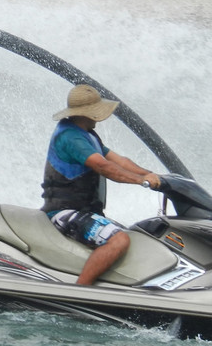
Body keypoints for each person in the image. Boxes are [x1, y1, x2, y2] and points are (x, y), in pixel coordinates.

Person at [42, 84, 163, 285]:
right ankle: (81, 292)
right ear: (88, 113)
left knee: (138, 236)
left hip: (86, 212)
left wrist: (152, 174)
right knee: (119, 240)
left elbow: (119, 161)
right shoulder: (70, 137)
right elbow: (104, 167)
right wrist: (141, 181)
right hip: (64, 212)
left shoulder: (86, 133)